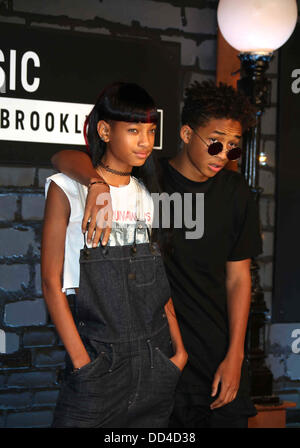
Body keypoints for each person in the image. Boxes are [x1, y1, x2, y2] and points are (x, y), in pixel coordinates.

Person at [51, 80, 262, 428]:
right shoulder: (149, 179)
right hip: (157, 359)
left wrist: (235, 356)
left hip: (217, 357)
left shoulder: (236, 191)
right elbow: (63, 157)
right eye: (216, 143)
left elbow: (239, 278)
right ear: (185, 133)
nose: (224, 154)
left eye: (234, 148)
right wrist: (96, 184)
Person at [41, 82, 187, 428]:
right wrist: (82, 363)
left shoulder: (145, 196)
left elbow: (158, 287)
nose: (145, 142)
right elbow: (51, 282)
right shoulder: (67, 187)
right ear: (105, 131)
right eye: (134, 130)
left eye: (151, 131)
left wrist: (179, 354)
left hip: (156, 360)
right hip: (97, 363)